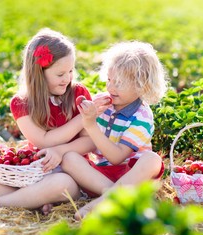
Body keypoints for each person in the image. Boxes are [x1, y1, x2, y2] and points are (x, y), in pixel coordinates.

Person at [0, 28, 106, 214]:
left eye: (71, 71)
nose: (68, 78)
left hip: (69, 174)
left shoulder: (78, 93)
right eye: (60, 74)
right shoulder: (21, 103)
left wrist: (61, 151)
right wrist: (83, 118)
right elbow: (44, 141)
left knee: (60, 184)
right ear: (39, 73)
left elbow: (88, 141)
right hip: (32, 171)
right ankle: (33, 200)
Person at [61, 41, 168, 220]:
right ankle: (116, 198)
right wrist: (86, 114)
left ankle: (102, 202)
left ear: (141, 86)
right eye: (109, 80)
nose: (110, 88)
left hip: (132, 175)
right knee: (69, 158)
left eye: (118, 83)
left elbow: (117, 157)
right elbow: (87, 142)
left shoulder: (142, 116)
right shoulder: (103, 104)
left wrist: (91, 124)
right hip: (101, 178)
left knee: (152, 160)